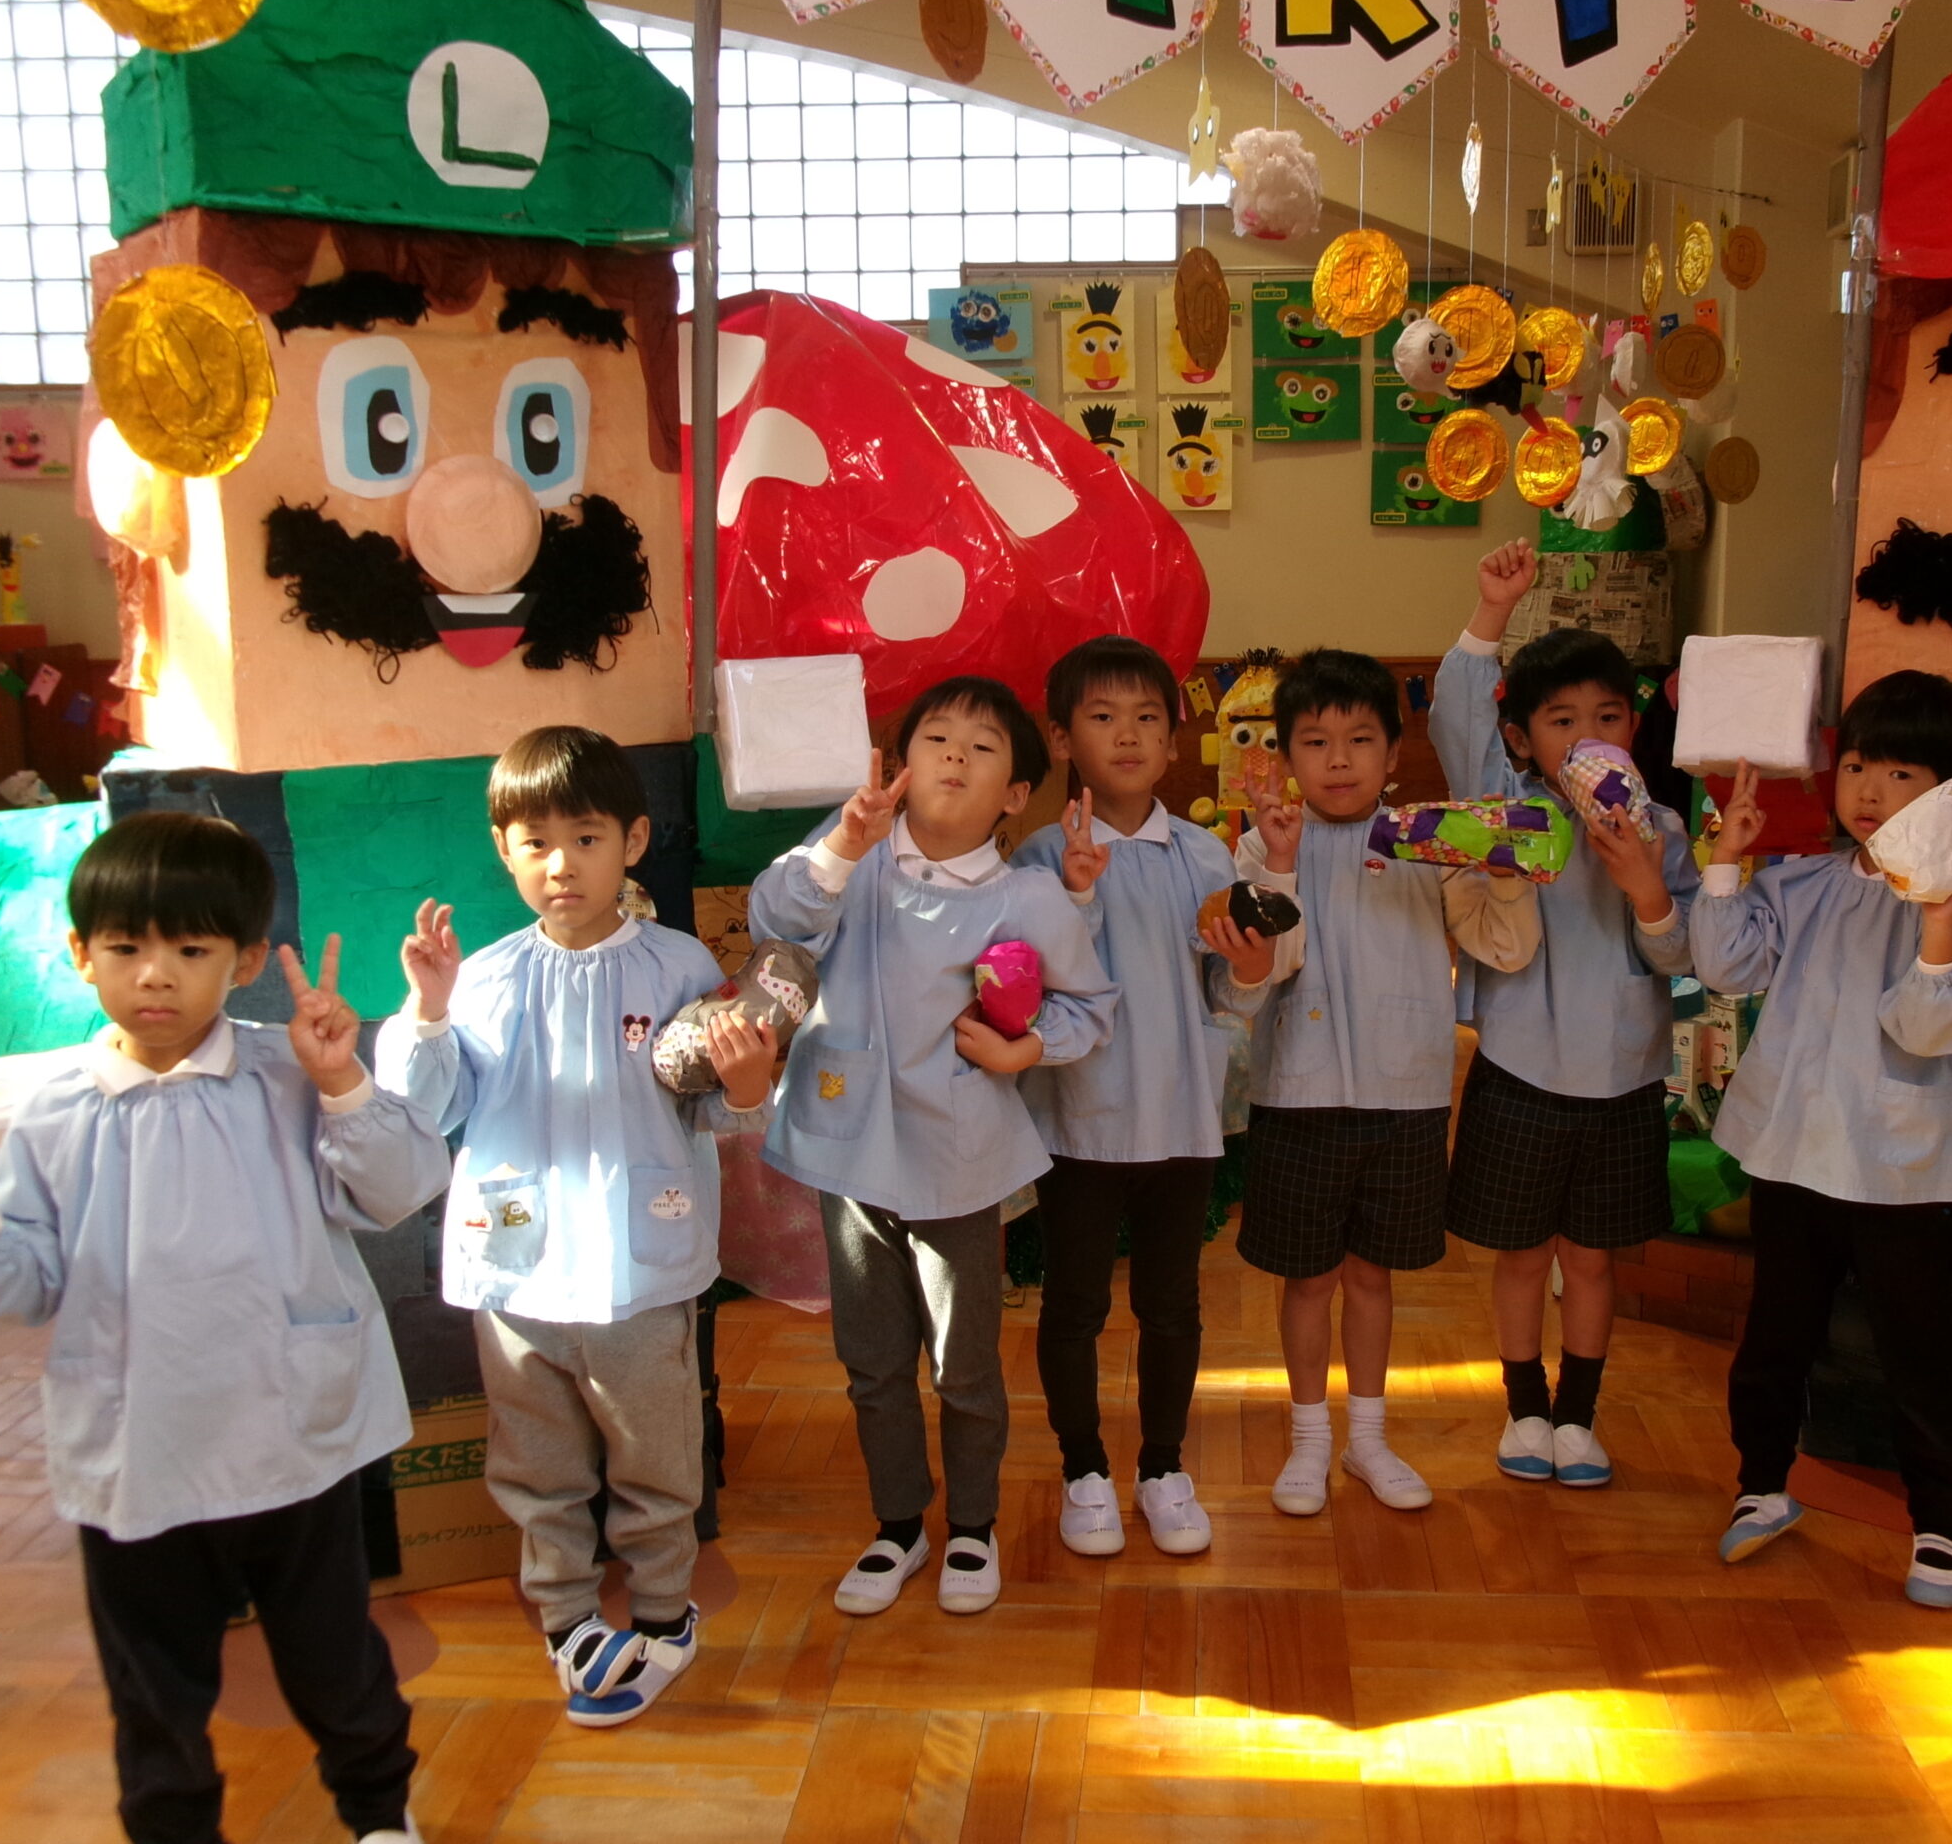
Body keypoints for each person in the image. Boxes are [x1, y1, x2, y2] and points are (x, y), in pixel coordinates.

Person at [0, 811, 448, 1844]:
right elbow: (19, 1286)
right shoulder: (54, 1113)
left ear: (243, 960)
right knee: (153, 1686)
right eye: (125, 948)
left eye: (191, 951)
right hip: (137, 1457)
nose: (155, 975)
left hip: (292, 1441)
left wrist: (344, 1081)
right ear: (82, 954)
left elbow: (399, 1188)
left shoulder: (291, 1073)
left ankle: (379, 1811)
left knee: (334, 1656)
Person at [375, 726, 776, 1727]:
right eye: (536, 843)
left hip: (641, 1269)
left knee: (656, 1451)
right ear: (504, 851)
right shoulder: (483, 977)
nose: (561, 865)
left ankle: (664, 1610)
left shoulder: (679, 965)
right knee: (537, 1462)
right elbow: (424, 1109)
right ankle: (567, 1619)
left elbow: (715, 1110)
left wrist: (747, 1087)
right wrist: (427, 1011)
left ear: (632, 842)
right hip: (516, 1271)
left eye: (586, 839)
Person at [752, 676, 1118, 1616]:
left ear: (1014, 795)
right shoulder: (855, 861)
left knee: (965, 1362)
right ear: (898, 764)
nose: (955, 753)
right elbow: (776, 921)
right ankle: (898, 1525)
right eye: (936, 737)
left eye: (983, 746)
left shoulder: (1028, 897)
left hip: (958, 1158)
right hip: (848, 1152)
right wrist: (842, 845)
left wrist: (1024, 1049)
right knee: (872, 1359)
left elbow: (1090, 1008)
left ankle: (973, 1526)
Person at [1690, 670, 1952, 1609]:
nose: (1870, 790)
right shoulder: (1804, 883)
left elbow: (1928, 1031)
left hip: (1900, 1169)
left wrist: (1941, 926)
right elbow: (1727, 965)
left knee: (1915, 1347)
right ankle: (1760, 1484)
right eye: (1861, 764)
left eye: (1902, 774)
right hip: (1795, 1154)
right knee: (1775, 1334)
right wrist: (1726, 860)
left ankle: (1940, 1522)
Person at [1236, 647, 1540, 1516]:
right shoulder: (1260, 843)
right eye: (1315, 741)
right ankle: (1309, 1438)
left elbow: (1504, 948)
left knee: (1373, 1278)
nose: (1338, 761)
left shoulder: (1428, 842)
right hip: (1298, 1095)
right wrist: (1280, 866)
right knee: (1309, 1281)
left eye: (1360, 739)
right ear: (1286, 754)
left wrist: (1504, 879)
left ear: (1393, 753)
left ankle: (1367, 1438)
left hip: (1405, 1096)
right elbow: (1262, 974)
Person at [1429, 540, 1700, 1488]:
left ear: (1634, 725)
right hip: (1519, 1072)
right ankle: (1525, 1410)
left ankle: (1578, 1417)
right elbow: (1458, 720)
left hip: (1622, 1080)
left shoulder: (1662, 829)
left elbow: (1682, 956)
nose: (1588, 737)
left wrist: (1648, 890)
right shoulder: (1507, 812)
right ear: (1523, 740)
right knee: (1518, 1257)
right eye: (1561, 720)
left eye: (1608, 717)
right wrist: (1491, 611)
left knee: (1590, 1261)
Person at [1013, 635, 1284, 1559]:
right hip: (1077, 1122)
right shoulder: (1037, 858)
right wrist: (1075, 897)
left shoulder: (1206, 857)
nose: (1127, 736)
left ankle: (1164, 1466)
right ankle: (1083, 1468)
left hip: (1179, 1117)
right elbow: (1029, 983)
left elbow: (1231, 995)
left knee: (1173, 1306)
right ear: (1062, 739)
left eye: (1146, 719)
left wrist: (1251, 969)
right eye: (1102, 717)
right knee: (1075, 1305)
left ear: (1173, 742)